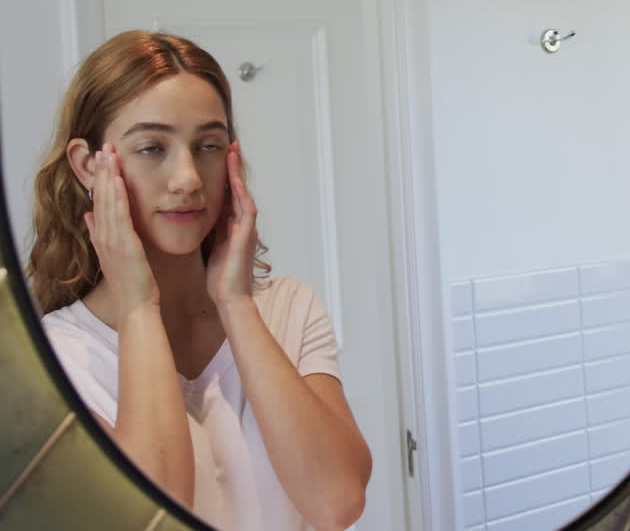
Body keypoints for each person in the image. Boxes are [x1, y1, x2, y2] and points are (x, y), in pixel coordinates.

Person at [26, 30, 372, 531]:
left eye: (207, 145)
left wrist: (235, 303)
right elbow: (150, 517)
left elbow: (337, 501)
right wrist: (138, 308)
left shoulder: (290, 309)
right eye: (151, 147)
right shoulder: (50, 362)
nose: (188, 177)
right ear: (87, 165)